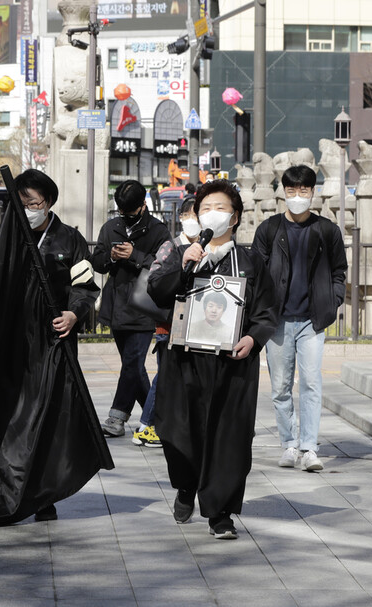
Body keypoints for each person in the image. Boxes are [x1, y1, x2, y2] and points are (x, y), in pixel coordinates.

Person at [0, 169, 111, 526]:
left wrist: (73, 315)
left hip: (50, 345)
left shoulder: (69, 240)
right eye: (24, 202)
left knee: (44, 420)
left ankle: (41, 493)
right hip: (8, 344)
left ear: (49, 202)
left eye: (36, 202)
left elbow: (86, 287)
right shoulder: (5, 235)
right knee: (5, 418)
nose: (30, 208)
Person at [147, 179, 278, 540]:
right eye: (205, 208)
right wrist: (182, 265)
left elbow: (267, 311)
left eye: (219, 208)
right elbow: (157, 290)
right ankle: (187, 486)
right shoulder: (182, 253)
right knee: (178, 432)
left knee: (228, 438)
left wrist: (253, 338)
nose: (211, 214)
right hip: (183, 360)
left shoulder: (250, 261)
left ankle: (220, 513)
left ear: (234, 217)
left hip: (232, 365)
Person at [252, 164, 347, 472]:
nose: (297, 196)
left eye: (303, 190)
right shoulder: (269, 229)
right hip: (277, 321)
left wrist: (332, 303)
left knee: (311, 383)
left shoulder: (326, 230)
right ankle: (289, 444)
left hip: (312, 320)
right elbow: (255, 274)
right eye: (291, 190)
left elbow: (338, 272)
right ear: (283, 192)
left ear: (312, 192)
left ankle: (309, 447)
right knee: (280, 387)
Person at [91, 180, 170, 437]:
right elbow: (98, 262)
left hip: (145, 306)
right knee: (132, 366)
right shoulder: (111, 227)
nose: (124, 217)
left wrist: (134, 255)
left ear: (143, 205)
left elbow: (164, 265)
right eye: (121, 212)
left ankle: (117, 418)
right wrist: (112, 257)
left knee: (132, 363)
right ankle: (158, 418)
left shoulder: (158, 230)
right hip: (116, 304)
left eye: (129, 212)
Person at [132, 196, 200, 448]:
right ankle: (146, 426)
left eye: (198, 216)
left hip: (193, 326)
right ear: (181, 218)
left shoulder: (206, 248)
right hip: (169, 325)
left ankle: (164, 425)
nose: (193, 221)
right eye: (189, 215)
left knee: (177, 378)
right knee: (165, 376)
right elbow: (157, 281)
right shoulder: (171, 247)